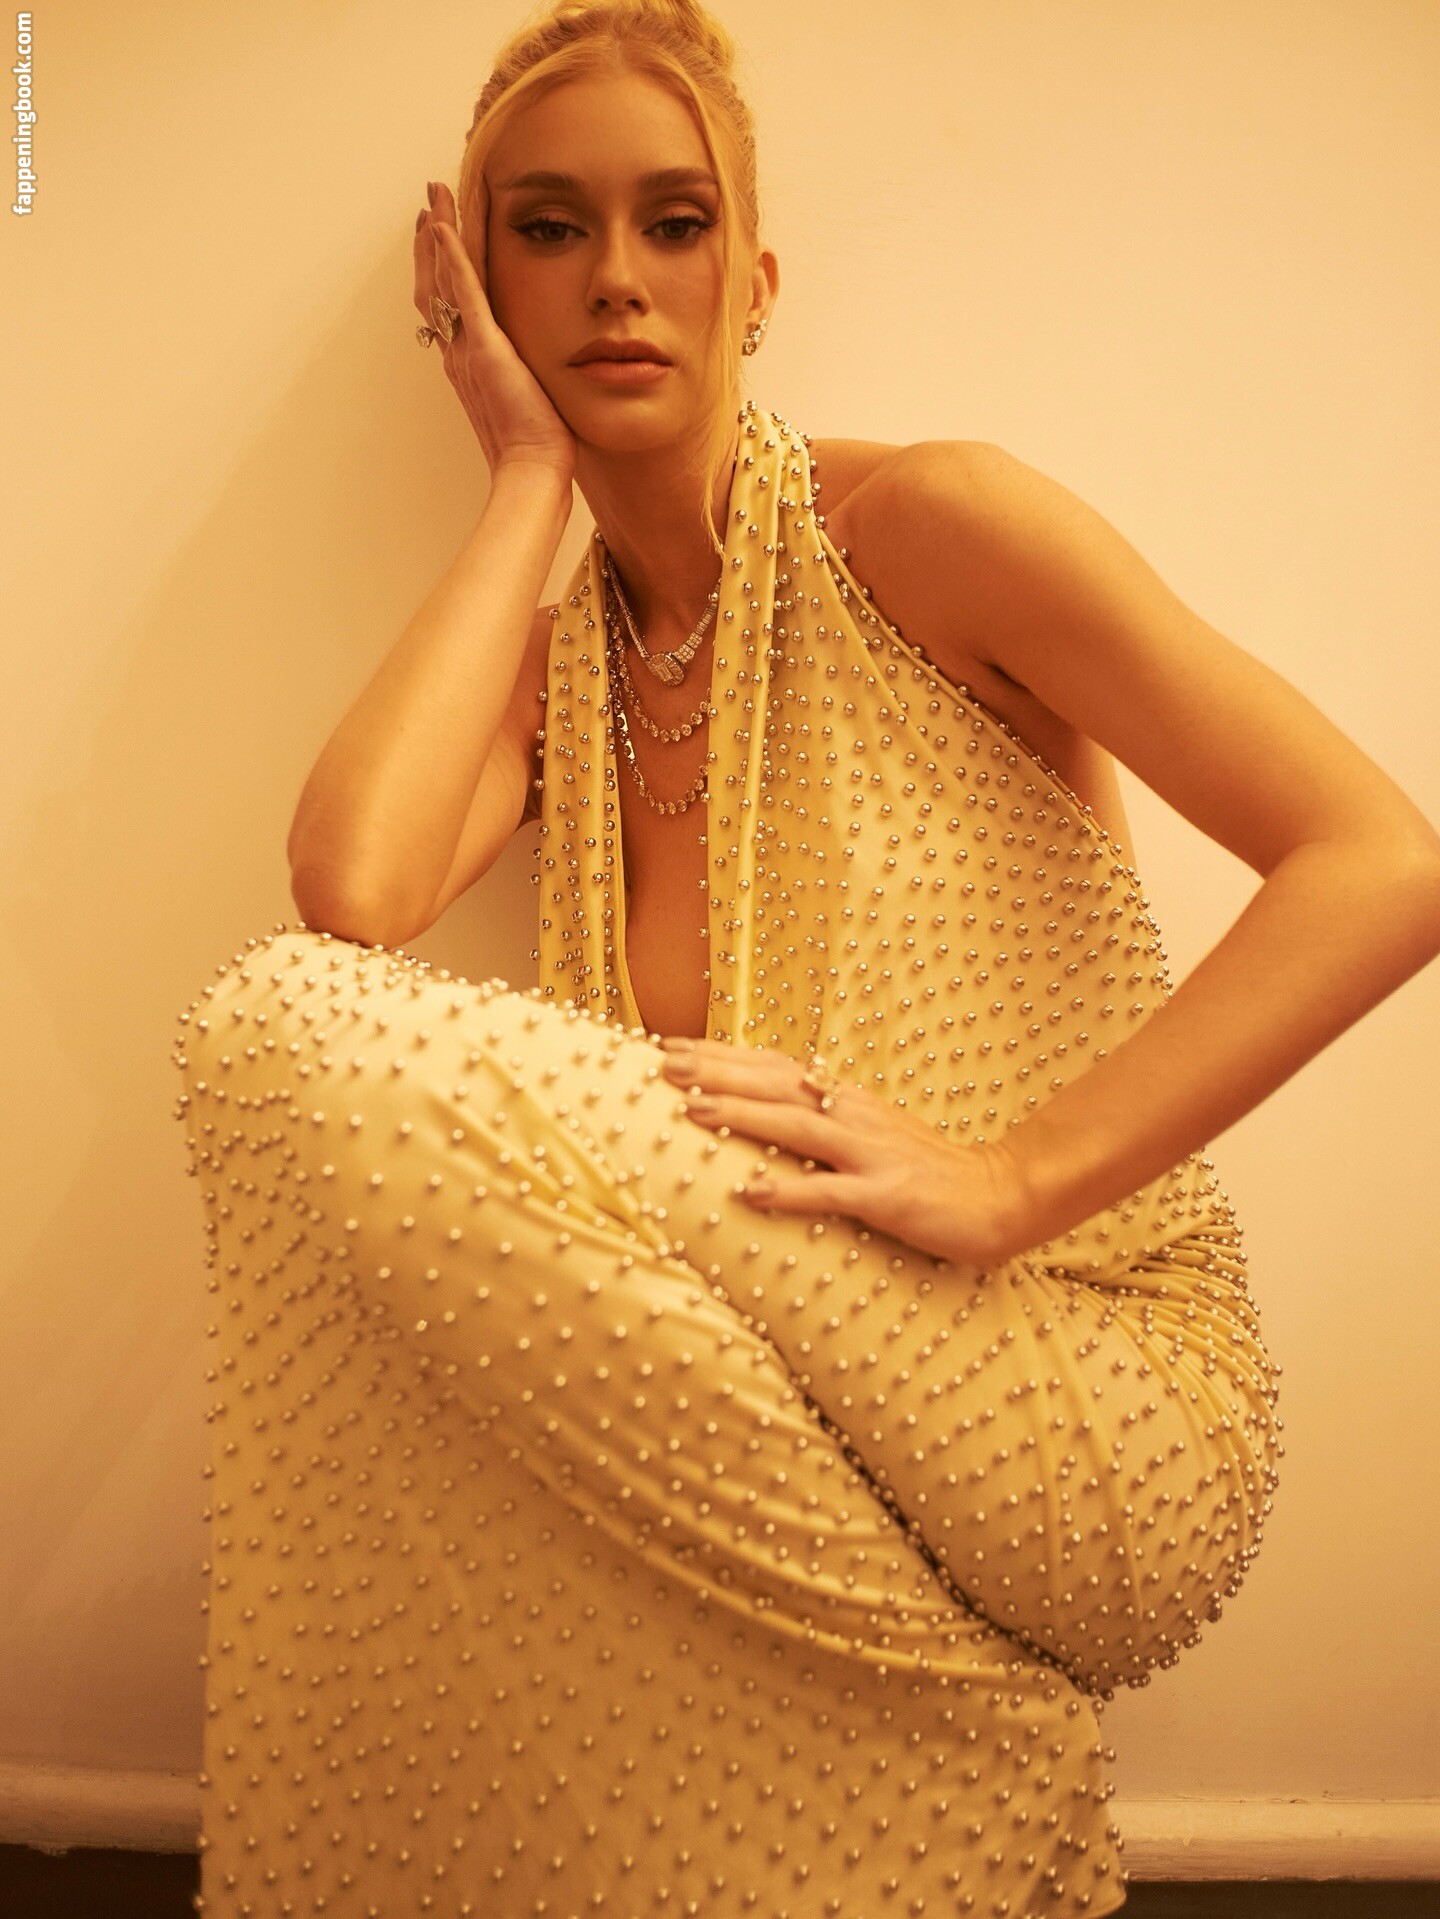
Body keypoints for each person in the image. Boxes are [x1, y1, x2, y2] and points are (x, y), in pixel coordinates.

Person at [170, 2, 1440, 1913]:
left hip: (1091, 1399)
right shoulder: (568, 679)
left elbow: (1382, 864)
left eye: (674, 222)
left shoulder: (927, 528)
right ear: (487, 300)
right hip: (826, 1414)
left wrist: (1011, 1180)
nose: (616, 278)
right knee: (280, 1072)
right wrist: (520, 482)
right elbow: (350, 885)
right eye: (548, 230)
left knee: (281, 1034)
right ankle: (940, 1793)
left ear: (754, 280)